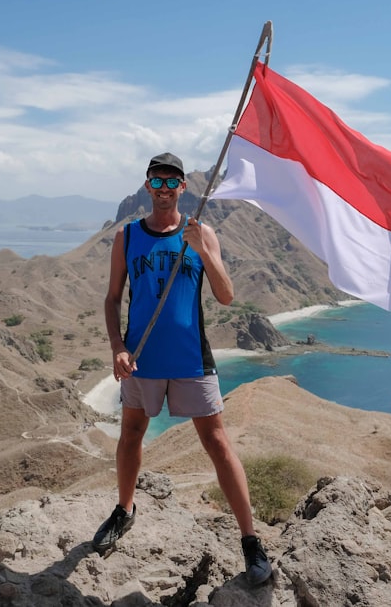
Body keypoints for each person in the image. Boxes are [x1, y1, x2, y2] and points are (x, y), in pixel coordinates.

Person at [91, 152, 272, 586]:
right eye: (157, 181)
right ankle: (124, 509)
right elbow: (113, 298)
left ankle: (250, 540)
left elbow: (226, 295)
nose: (165, 189)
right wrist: (117, 347)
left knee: (217, 443)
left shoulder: (202, 231)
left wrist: (203, 251)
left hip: (192, 358)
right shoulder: (128, 236)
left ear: (183, 187)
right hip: (142, 359)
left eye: (172, 181)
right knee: (131, 434)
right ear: (147, 187)